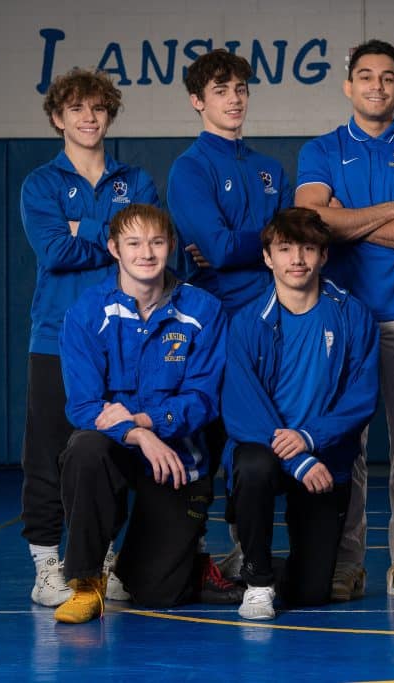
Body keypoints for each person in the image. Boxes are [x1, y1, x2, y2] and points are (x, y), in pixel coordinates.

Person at [295, 39, 394, 600]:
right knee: (344, 446)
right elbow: (309, 222)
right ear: (348, 86)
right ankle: (348, 562)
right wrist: (390, 209)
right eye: (365, 76)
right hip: (344, 321)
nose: (376, 86)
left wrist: (345, 220)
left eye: (387, 77)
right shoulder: (322, 149)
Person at [54, 203, 237, 624]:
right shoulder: (86, 312)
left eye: (156, 242)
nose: (146, 253)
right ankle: (86, 583)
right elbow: (84, 405)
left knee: (160, 593)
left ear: (171, 245)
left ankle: (160, 563)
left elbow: (204, 397)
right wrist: (137, 434)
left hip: (177, 455)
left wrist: (146, 421)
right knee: (84, 450)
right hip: (114, 447)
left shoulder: (203, 310)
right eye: (134, 243)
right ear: (114, 248)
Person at [19, 67, 159, 607]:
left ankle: (101, 559)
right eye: (76, 108)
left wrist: (83, 229)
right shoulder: (41, 184)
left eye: (98, 107)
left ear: (110, 114)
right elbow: (55, 250)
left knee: (109, 449)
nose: (88, 117)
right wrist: (113, 234)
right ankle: (45, 565)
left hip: (123, 336)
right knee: (48, 454)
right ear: (58, 118)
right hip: (56, 337)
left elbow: (145, 244)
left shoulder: (136, 180)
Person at [167, 48, 294, 580]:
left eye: (240, 89)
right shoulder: (190, 168)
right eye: (220, 91)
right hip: (215, 325)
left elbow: (291, 242)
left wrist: (250, 242)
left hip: (271, 322)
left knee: (258, 442)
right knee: (205, 441)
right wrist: (268, 241)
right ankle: (190, 554)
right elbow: (219, 251)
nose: (234, 99)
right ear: (197, 101)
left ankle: (248, 550)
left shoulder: (269, 169)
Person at [222, 207, 380, 620]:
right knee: (252, 466)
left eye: (308, 248)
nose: (297, 259)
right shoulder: (247, 322)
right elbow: (241, 408)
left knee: (310, 594)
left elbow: (361, 398)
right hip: (267, 451)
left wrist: (311, 439)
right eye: (285, 248)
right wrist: (296, 458)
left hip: (322, 457)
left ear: (324, 256)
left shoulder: (353, 315)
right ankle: (257, 581)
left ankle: (272, 572)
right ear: (267, 257)